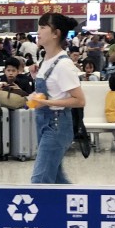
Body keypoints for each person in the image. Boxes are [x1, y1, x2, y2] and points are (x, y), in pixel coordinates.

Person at [29, 13, 85, 184]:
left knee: (40, 179)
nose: (38, 32)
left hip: (57, 124)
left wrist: (46, 102)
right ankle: (76, 207)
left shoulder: (63, 64)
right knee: (56, 177)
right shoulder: (46, 59)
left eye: (43, 27)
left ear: (56, 33)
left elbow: (79, 100)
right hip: (44, 123)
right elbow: (54, 89)